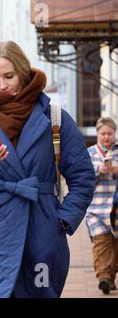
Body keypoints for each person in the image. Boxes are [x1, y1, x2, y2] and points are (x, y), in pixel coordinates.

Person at [0, 40, 95, 298]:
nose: (2, 85)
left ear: (23, 72)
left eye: (9, 76)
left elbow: (83, 176)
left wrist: (62, 220)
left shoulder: (55, 117)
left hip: (41, 230)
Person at [86, 116, 118, 295]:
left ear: (114, 133)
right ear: (97, 133)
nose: (106, 137)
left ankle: (111, 277)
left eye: (109, 133)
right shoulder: (89, 153)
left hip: (116, 207)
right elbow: (82, 177)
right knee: (101, 242)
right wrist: (99, 170)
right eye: (102, 133)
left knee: (115, 245)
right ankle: (104, 278)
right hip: (96, 208)